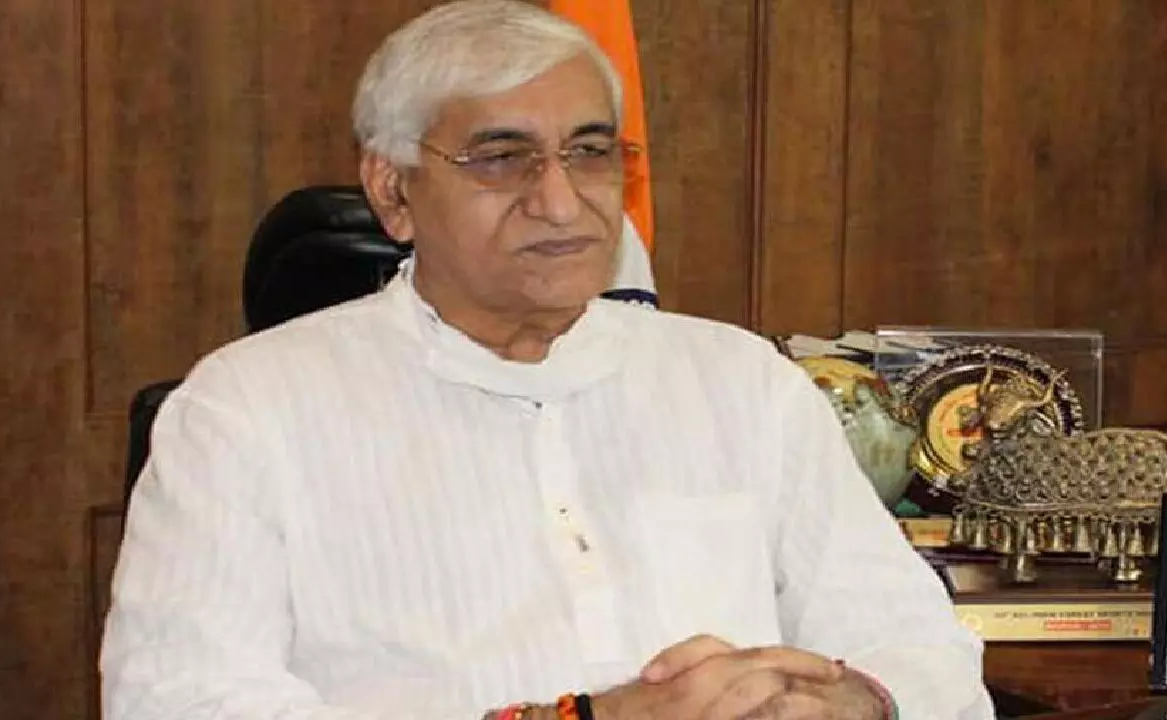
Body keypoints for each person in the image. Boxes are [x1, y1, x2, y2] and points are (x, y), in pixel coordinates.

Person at [99, 1, 995, 718]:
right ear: (393, 191)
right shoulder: (247, 410)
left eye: (590, 153)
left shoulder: (742, 383)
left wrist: (853, 702)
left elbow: (926, 650)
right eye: (502, 158)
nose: (562, 203)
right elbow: (177, 701)